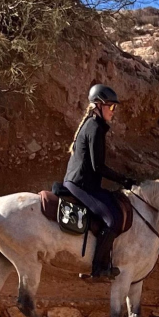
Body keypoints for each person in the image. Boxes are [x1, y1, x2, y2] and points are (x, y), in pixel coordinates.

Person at [63, 83, 130, 280]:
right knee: (113, 219)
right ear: (98, 106)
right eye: (111, 106)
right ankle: (97, 269)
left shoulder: (93, 125)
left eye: (114, 107)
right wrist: (123, 179)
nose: (113, 111)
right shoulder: (95, 129)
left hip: (83, 183)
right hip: (81, 185)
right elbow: (97, 167)